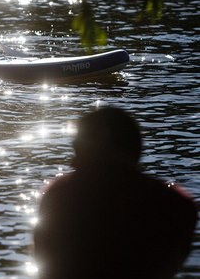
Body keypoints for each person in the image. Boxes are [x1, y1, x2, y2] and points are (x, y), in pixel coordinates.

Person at [34, 106, 197, 279]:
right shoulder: (177, 205)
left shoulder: (60, 195)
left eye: (78, 149)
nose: (73, 162)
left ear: (102, 139)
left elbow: (45, 263)